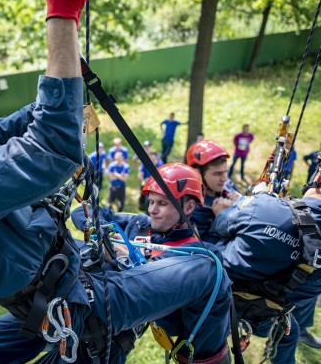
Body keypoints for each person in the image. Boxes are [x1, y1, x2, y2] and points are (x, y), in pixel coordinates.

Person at [0, 1, 231, 362]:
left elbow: (35, 117)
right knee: (210, 271)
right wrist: (61, 16)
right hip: (81, 304)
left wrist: (66, 66)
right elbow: (52, 145)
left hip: (56, 295)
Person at [72, 163, 232, 363]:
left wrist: (126, 258)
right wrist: (107, 238)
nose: (153, 210)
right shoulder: (140, 224)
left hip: (110, 321)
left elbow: (172, 319)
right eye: (151, 202)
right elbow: (82, 212)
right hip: (86, 297)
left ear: (189, 207)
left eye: (162, 204)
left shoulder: (196, 256)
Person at [209, 160, 321, 364]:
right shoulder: (266, 206)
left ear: (318, 177)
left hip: (221, 301)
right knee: (290, 334)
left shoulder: (263, 206)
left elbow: (220, 226)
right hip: (269, 317)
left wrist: (250, 203)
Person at [186, 140, 241, 240]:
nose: (224, 178)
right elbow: (204, 249)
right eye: (217, 174)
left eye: (225, 172)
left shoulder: (228, 185)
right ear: (197, 174)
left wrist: (241, 203)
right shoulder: (190, 208)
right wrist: (220, 218)